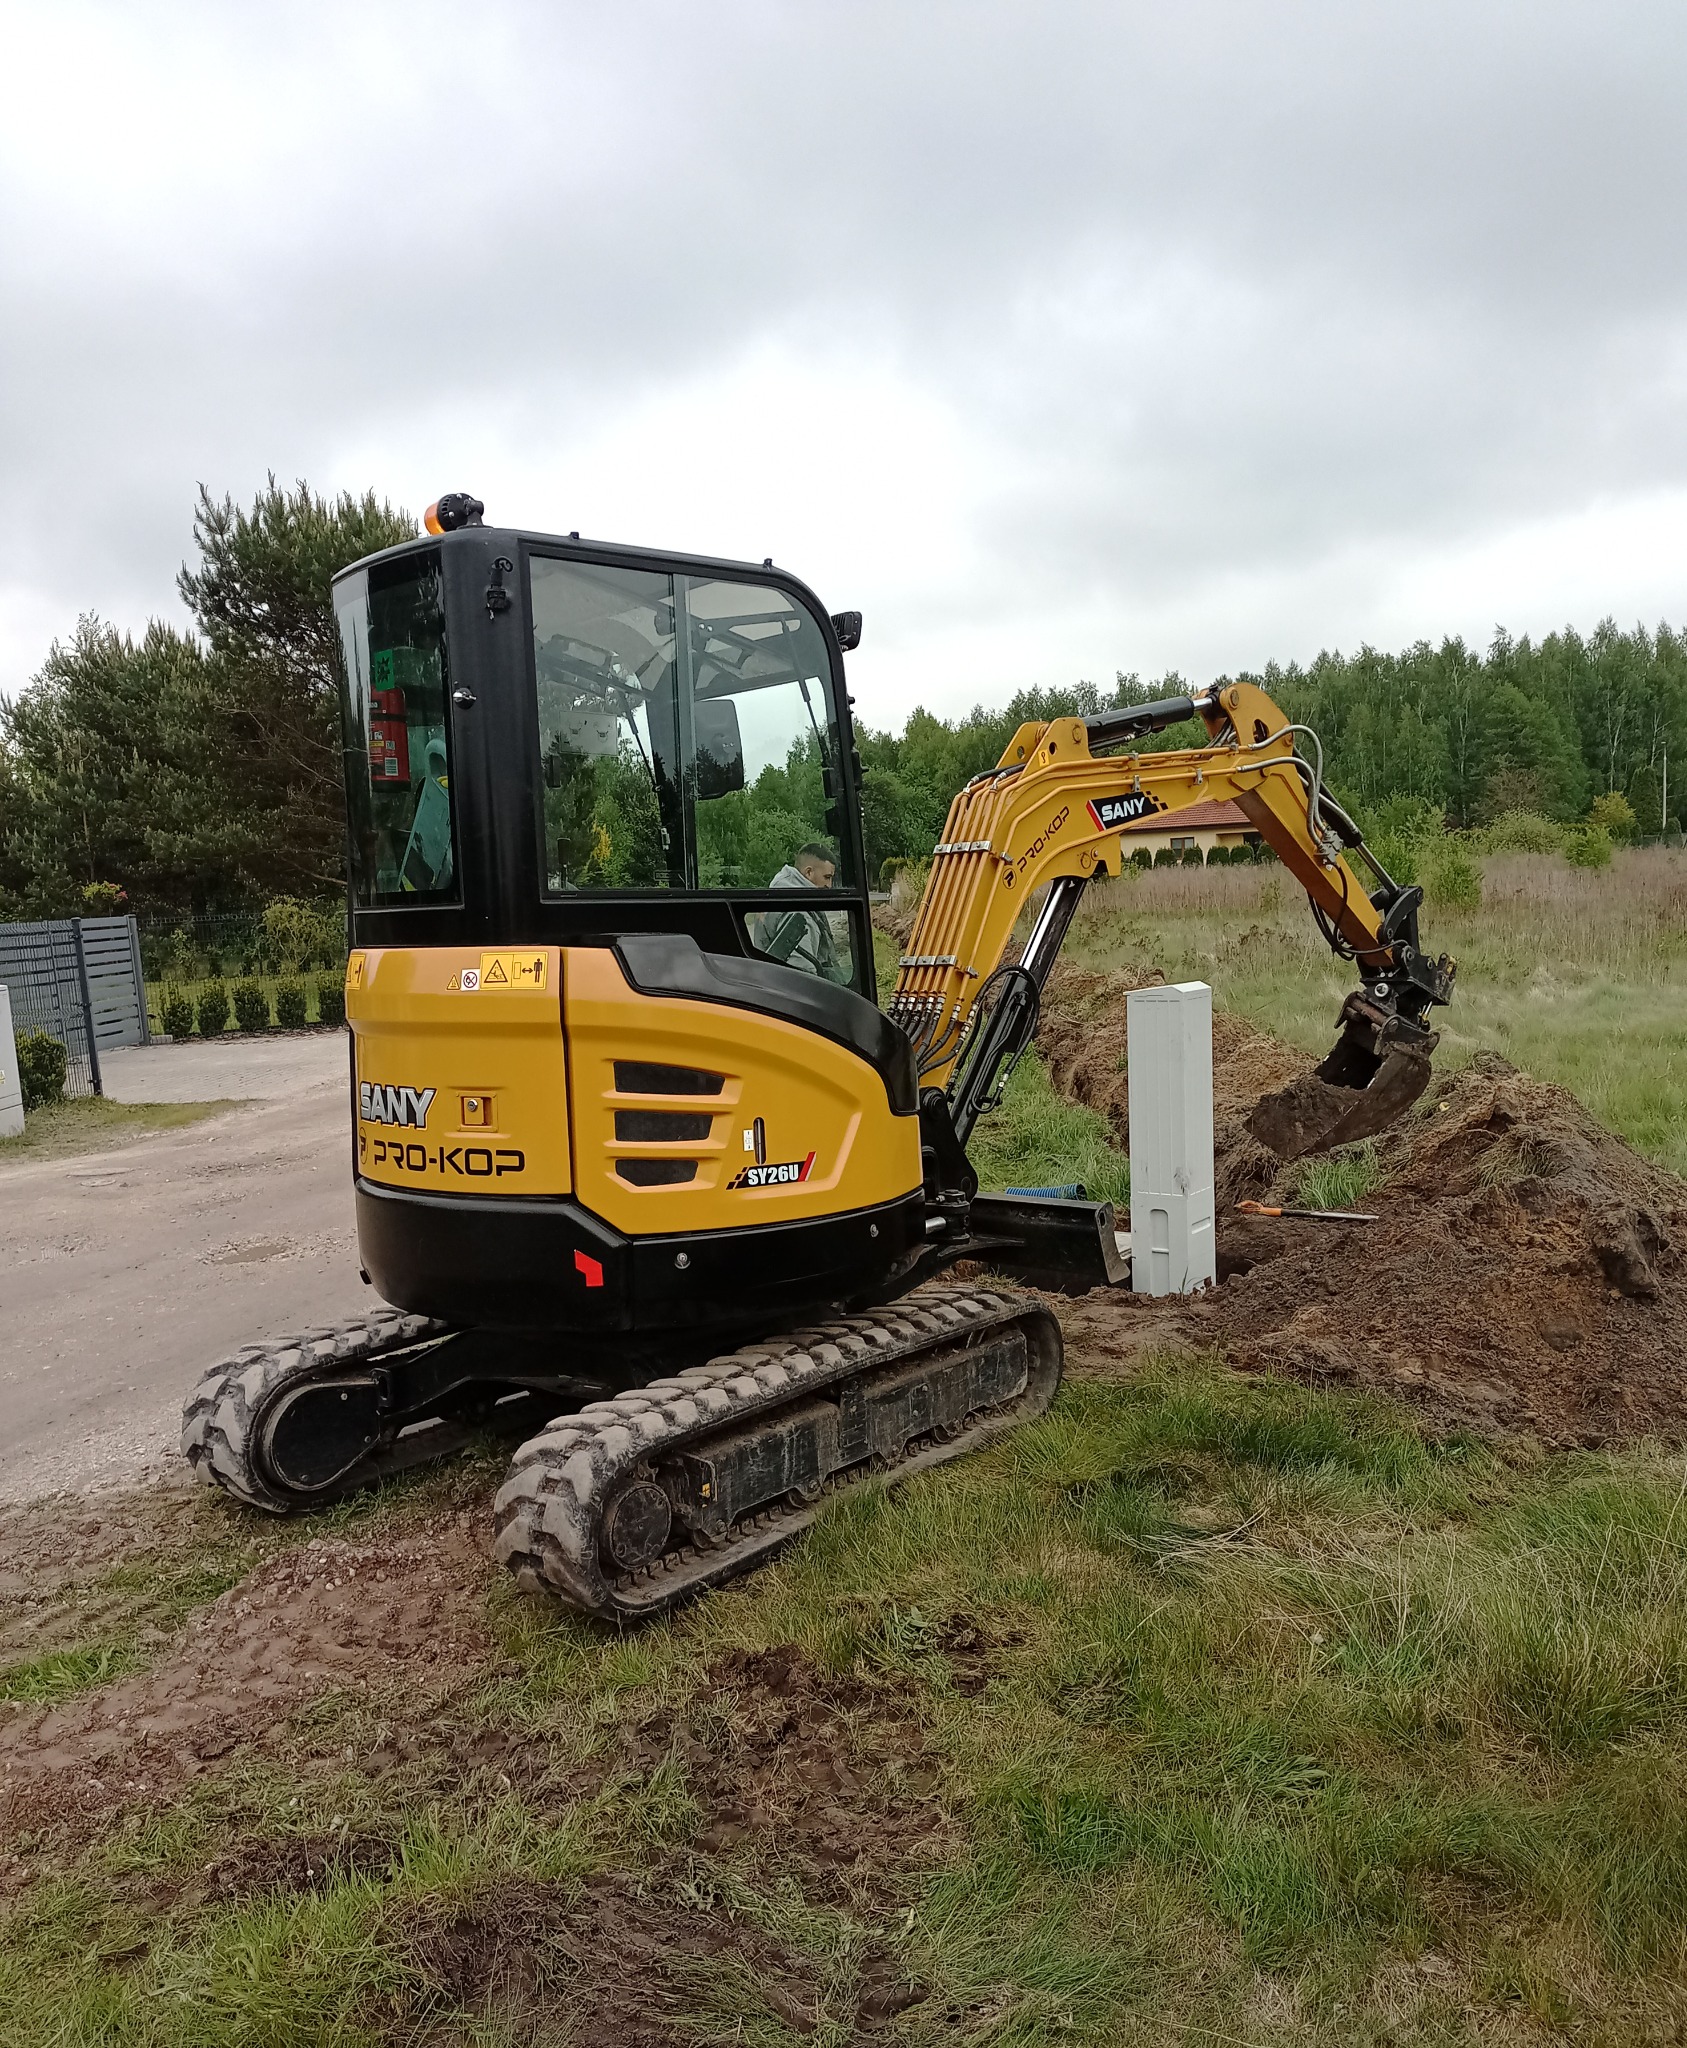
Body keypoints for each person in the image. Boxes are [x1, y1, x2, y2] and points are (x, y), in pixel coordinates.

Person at [756, 842, 849, 981]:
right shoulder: (800, 915)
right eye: (827, 877)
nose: (829, 885)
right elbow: (802, 976)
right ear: (809, 872)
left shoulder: (782, 894)